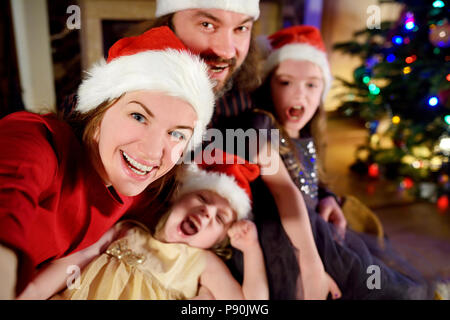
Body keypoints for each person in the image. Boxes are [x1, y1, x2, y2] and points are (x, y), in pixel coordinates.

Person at [0, 26, 215, 299]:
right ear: (99, 115)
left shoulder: (140, 191)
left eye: (176, 134)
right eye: (138, 117)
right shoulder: (37, 142)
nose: (151, 151)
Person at [234, 25, 432, 299]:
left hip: (320, 228)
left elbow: (312, 178)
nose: (299, 95)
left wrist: (327, 197)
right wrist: (311, 263)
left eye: (312, 85)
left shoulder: (308, 133)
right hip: (288, 238)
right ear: (268, 84)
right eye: (285, 82)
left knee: (384, 275)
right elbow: (283, 192)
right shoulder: (261, 125)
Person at [17, 155, 268, 300]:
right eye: (202, 199)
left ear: (219, 240)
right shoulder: (126, 230)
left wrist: (251, 249)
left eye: (220, 219)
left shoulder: (202, 263)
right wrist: (33, 293)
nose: (206, 212)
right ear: (178, 197)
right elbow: (75, 261)